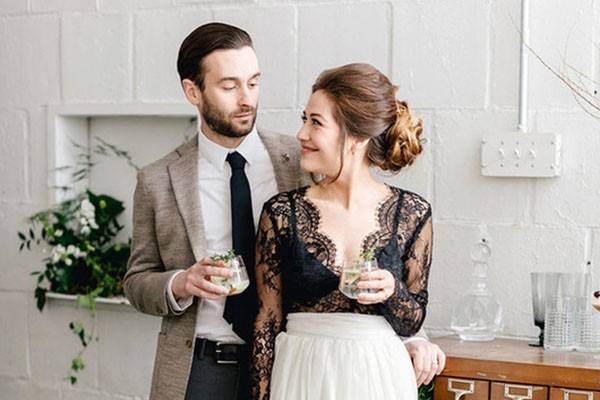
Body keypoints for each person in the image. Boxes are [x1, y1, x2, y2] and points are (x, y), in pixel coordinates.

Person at [124, 22, 443, 400]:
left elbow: (363, 230)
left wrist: (410, 337)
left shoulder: (302, 159)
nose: (247, 99)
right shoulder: (157, 180)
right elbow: (136, 280)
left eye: (254, 82)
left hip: (293, 363)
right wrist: (182, 282)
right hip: (202, 367)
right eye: (229, 86)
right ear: (193, 91)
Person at [251, 63, 434, 400]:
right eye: (303, 119)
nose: (302, 134)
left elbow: (412, 321)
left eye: (316, 123)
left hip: (380, 377)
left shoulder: (413, 213)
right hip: (301, 376)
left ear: (357, 139)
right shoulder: (281, 213)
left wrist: (392, 291)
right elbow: (266, 322)